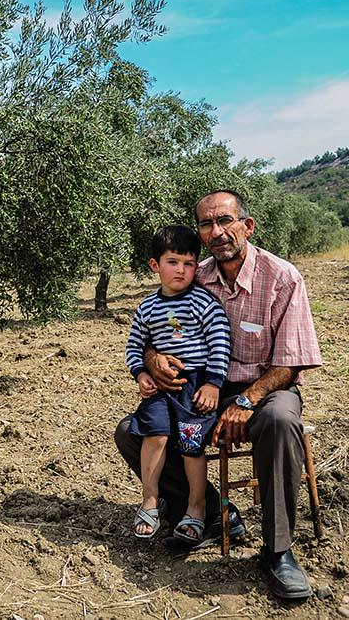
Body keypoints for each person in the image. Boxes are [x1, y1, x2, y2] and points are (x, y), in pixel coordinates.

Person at [113, 189, 323, 600]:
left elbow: (292, 361)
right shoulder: (196, 274)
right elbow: (154, 329)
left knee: (281, 422)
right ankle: (212, 514)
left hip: (266, 388)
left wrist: (246, 400)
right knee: (130, 432)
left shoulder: (281, 277)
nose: (217, 231)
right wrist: (152, 358)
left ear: (247, 226)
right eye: (207, 223)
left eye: (225, 221)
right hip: (200, 389)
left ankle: (278, 551)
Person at [125, 225, 231, 542]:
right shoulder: (147, 307)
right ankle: (150, 500)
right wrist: (142, 374)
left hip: (194, 387)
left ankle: (196, 508)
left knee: (190, 446)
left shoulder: (204, 303)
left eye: (189, 264)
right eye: (173, 262)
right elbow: (134, 347)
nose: (181, 270)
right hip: (160, 389)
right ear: (155, 265)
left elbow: (220, 344)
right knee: (154, 435)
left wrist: (213, 384)